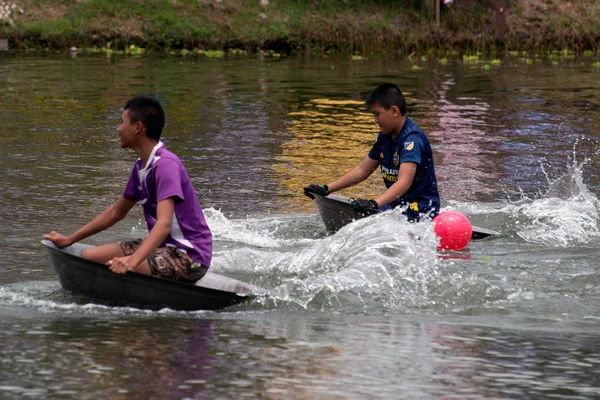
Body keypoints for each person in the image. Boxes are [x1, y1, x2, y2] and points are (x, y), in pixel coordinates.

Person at [44, 96, 213, 282]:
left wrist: (131, 262)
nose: (118, 128)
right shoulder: (141, 166)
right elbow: (116, 212)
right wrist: (70, 239)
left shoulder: (166, 164)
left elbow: (164, 224)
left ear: (138, 127)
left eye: (122, 122)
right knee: (89, 258)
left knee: (115, 265)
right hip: (163, 247)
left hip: (189, 255)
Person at [304, 83, 440, 222]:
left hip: (422, 209)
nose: (375, 120)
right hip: (397, 205)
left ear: (394, 111)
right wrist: (326, 189)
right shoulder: (384, 136)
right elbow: (362, 170)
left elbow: (404, 182)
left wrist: (373, 204)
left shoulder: (412, 141)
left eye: (377, 114)